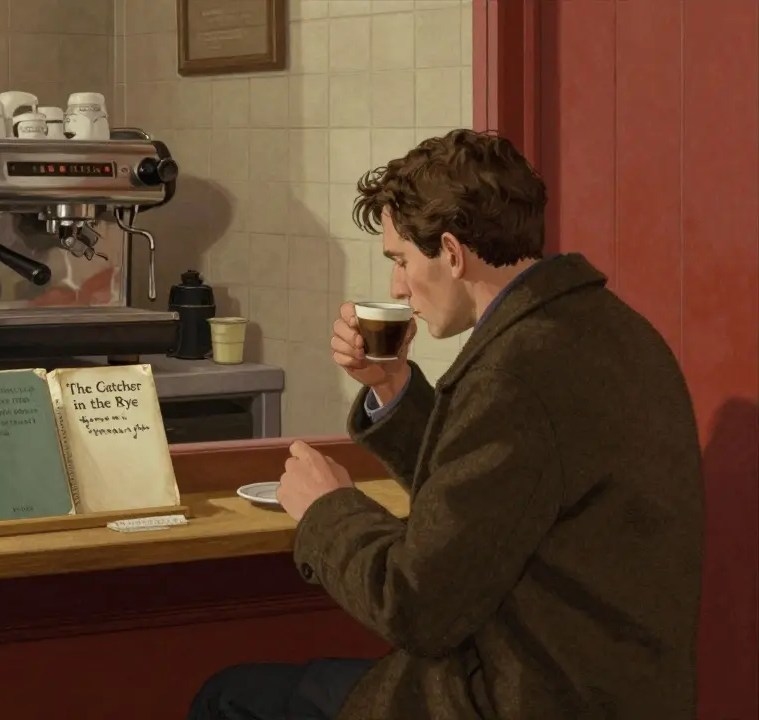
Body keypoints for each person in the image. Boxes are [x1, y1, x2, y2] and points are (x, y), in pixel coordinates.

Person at [188, 129, 703, 719]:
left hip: (524, 699)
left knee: (228, 699)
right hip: (613, 691)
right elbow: (503, 491)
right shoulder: (612, 331)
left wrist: (327, 508)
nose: (396, 288)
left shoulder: (514, 374)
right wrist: (393, 386)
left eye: (402, 261)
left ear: (453, 254)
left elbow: (414, 606)